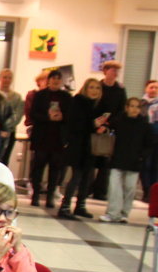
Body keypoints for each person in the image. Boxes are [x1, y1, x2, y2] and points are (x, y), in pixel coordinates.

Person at [57, 77, 109, 220]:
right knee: (77, 176)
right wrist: (93, 124)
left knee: (88, 177)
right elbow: (75, 124)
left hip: (92, 146)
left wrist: (103, 127)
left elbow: (103, 123)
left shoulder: (100, 105)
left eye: (97, 88)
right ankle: (65, 206)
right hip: (78, 145)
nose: (94, 91)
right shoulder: (78, 101)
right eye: (91, 87)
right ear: (86, 88)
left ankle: (80, 205)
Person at [101, 96, 153, 223]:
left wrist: (142, 156)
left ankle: (124, 213)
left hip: (134, 161)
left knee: (130, 189)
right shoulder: (118, 121)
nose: (135, 109)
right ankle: (112, 212)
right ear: (126, 108)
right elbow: (108, 131)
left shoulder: (145, 125)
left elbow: (150, 144)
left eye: (138, 107)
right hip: (117, 159)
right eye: (132, 106)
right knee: (114, 187)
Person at [27, 70, 71, 209]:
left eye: (58, 78)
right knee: (38, 167)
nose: (56, 81)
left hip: (58, 138)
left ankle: (50, 196)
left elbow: (71, 116)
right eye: (53, 78)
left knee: (55, 169)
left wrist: (62, 117)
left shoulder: (66, 96)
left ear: (61, 81)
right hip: (42, 137)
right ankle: (35, 195)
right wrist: (47, 117)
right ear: (49, 80)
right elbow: (33, 113)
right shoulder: (40, 95)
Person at [91, 60, 127, 200]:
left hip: (110, 128)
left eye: (117, 71)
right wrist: (96, 123)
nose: (115, 73)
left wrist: (108, 124)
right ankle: (87, 188)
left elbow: (121, 110)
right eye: (113, 70)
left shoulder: (120, 89)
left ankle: (100, 190)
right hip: (94, 126)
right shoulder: (97, 86)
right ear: (105, 71)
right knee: (91, 159)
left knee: (105, 161)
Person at [0, 68, 24, 166]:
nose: (7, 80)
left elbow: (18, 114)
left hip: (10, 131)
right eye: (5, 77)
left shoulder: (17, 97)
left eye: (9, 78)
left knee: (5, 158)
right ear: (0, 78)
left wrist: (5, 127)